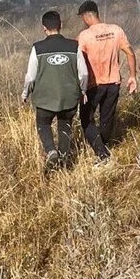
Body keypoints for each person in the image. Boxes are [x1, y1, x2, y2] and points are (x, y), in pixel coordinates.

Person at [22, 10, 89, 172]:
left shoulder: (38, 48)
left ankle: (51, 151)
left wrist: (25, 93)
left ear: (44, 28)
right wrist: (83, 91)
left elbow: (30, 77)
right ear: (61, 25)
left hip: (45, 99)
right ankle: (64, 160)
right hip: (69, 97)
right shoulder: (74, 46)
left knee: (43, 123)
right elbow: (84, 73)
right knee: (65, 125)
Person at [76, 0, 138, 167]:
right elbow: (130, 53)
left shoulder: (84, 36)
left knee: (86, 119)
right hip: (113, 83)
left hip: (93, 85)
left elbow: (78, 63)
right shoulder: (116, 30)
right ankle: (103, 147)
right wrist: (133, 76)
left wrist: (78, 86)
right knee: (107, 118)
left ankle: (102, 154)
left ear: (86, 16)